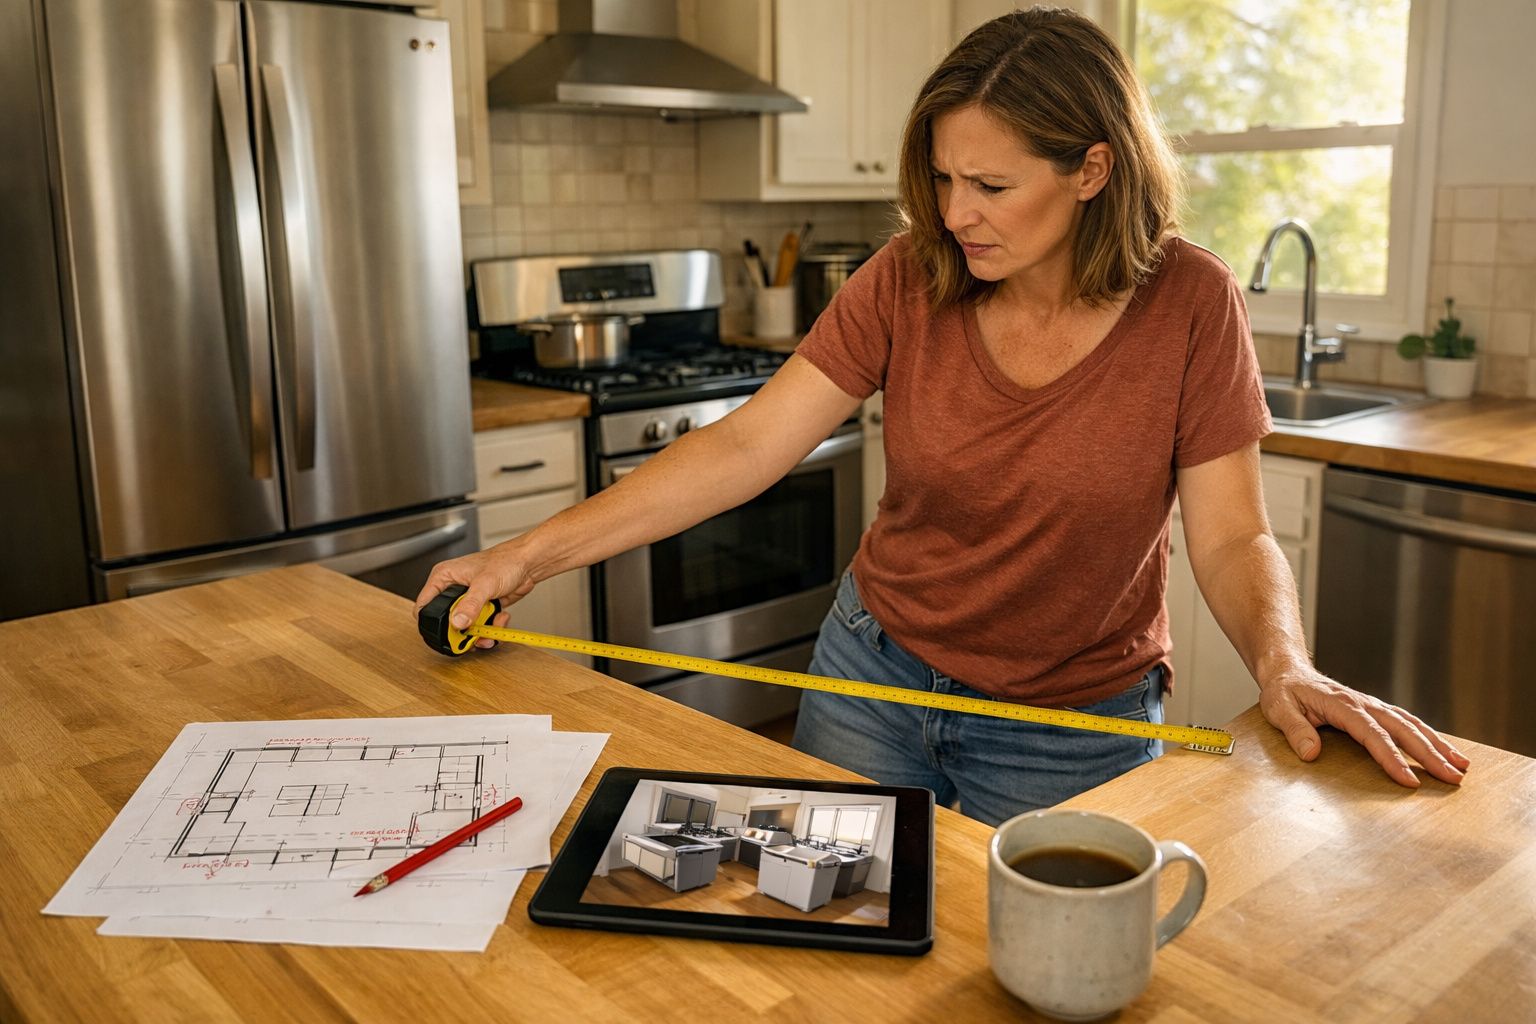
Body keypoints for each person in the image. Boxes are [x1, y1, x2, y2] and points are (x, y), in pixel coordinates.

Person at [416, 7, 1468, 825]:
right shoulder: (910, 274)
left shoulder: (1191, 303)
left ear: (1092, 170)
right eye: (942, 175)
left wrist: (1285, 663)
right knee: (837, 959)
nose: (952, 211)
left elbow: (1233, 533)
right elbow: (744, 445)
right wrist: (526, 557)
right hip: (871, 678)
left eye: (991, 185)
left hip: (1076, 725)